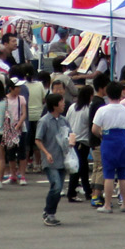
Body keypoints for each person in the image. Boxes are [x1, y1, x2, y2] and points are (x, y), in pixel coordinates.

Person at [92, 81, 125, 213]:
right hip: (122, 141)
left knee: (109, 175)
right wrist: (124, 135)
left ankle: (107, 205)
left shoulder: (102, 110)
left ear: (108, 93)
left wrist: (102, 135)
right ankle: (124, 204)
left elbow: (94, 129)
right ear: (120, 93)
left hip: (108, 141)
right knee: (123, 175)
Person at [36, 91, 73, 226]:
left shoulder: (64, 120)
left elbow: (70, 134)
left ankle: (49, 212)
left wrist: (71, 141)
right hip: (50, 159)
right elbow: (38, 140)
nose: (64, 104)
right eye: (61, 102)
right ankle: (49, 213)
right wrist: (46, 153)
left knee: (58, 187)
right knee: (56, 186)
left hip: (63, 158)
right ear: (54, 105)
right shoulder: (44, 121)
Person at [67, 85, 94, 204]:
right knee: (79, 168)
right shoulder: (88, 109)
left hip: (72, 140)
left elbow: (67, 121)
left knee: (81, 168)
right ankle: (72, 193)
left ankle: (87, 191)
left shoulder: (73, 107)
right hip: (83, 141)